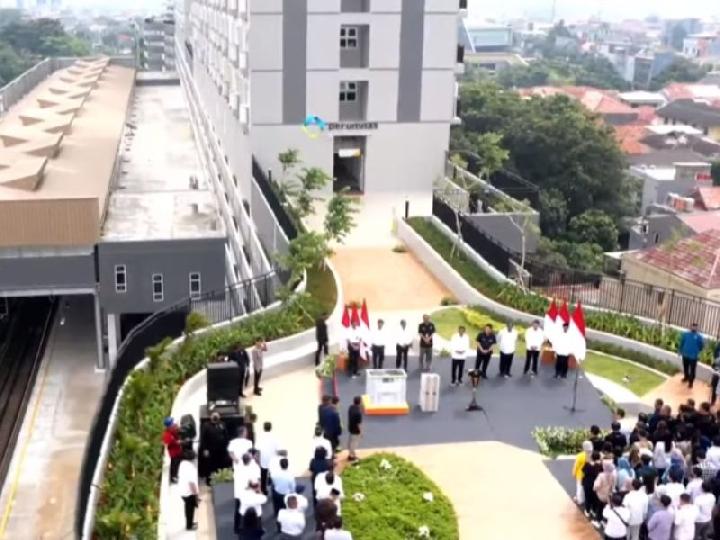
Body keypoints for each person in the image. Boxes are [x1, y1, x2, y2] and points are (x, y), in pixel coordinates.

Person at [200, 412, 227, 484]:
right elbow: (203, 438)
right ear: (210, 417)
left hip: (221, 450)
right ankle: (209, 481)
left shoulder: (222, 424)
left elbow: (226, 435)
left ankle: (220, 480)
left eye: (217, 416)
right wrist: (205, 449)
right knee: (210, 466)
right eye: (214, 416)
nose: (215, 417)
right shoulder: (206, 425)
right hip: (210, 450)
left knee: (221, 465)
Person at [177, 448, 199, 531]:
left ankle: (189, 524)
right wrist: (196, 495)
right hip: (189, 492)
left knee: (189, 508)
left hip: (182, 490)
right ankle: (189, 526)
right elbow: (192, 483)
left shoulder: (182, 463)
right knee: (191, 508)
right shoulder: (191, 468)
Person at [678, 323, 704, 389]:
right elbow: (682, 342)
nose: (694, 328)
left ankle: (691, 383)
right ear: (690, 327)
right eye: (693, 327)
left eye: (695, 327)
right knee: (685, 367)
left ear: (697, 328)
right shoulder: (686, 334)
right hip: (685, 355)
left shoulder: (699, 337)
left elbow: (701, 346)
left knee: (692, 370)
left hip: (693, 357)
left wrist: (697, 351)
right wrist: (680, 351)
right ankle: (686, 377)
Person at [256, 421, 279, 495]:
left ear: (263, 428)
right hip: (273, 458)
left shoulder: (260, 436)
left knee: (263, 476)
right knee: (274, 475)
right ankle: (275, 489)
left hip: (263, 458)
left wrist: (258, 459)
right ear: (271, 427)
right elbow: (278, 448)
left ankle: (263, 490)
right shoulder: (275, 436)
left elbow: (257, 449)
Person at [162, 417, 183, 483]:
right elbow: (166, 443)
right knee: (174, 465)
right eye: (172, 423)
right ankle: (173, 477)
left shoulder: (174, 429)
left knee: (178, 464)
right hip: (173, 453)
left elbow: (178, 432)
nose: (173, 424)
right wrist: (177, 442)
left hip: (178, 450)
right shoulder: (167, 435)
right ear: (169, 426)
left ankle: (175, 475)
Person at [572, 441, 593, 506]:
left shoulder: (579, 456)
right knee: (588, 488)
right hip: (590, 475)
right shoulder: (592, 454)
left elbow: (576, 466)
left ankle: (580, 500)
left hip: (580, 475)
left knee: (580, 487)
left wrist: (574, 473)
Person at [347, 396, 363, 462]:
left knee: (350, 441)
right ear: (360, 402)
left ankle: (351, 454)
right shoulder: (358, 413)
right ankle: (352, 456)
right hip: (355, 430)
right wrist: (361, 432)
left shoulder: (350, 407)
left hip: (350, 427)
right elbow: (358, 424)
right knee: (354, 443)